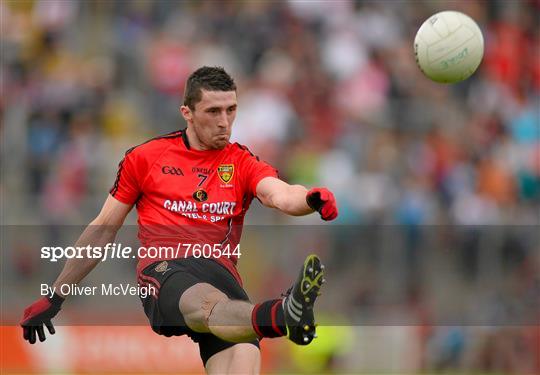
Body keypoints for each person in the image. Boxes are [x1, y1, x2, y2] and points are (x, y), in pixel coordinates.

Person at [20, 66, 338, 374]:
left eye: (231, 110)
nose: (224, 122)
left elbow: (279, 194)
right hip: (167, 269)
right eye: (213, 111)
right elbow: (103, 230)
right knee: (205, 304)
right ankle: (282, 315)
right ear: (187, 112)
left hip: (222, 276)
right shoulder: (145, 158)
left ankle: (279, 315)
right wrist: (56, 294)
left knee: (242, 353)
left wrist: (309, 199)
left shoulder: (242, 161)